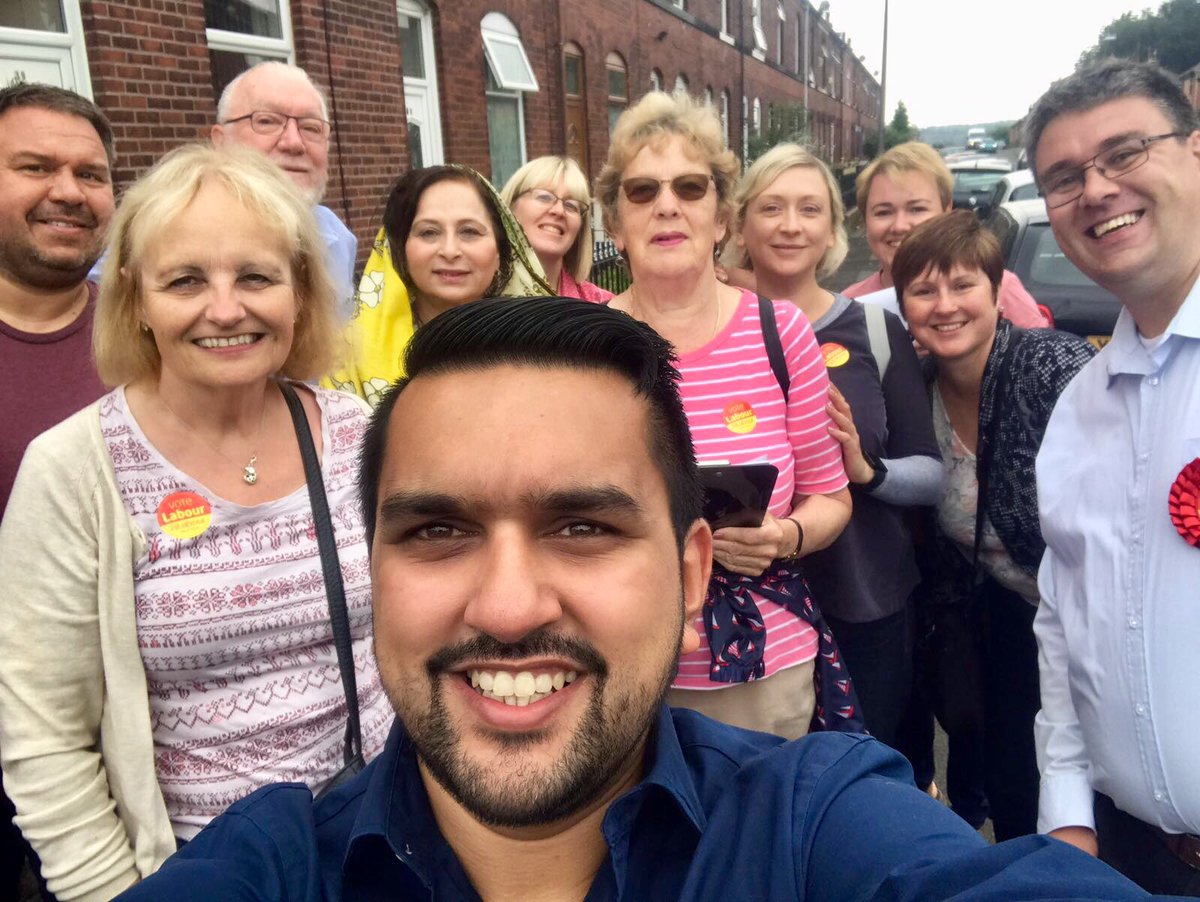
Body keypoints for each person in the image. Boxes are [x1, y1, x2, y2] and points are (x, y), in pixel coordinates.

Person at [113, 297, 1157, 902]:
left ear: (695, 569)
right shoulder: (276, 866)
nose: (511, 604)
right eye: (437, 530)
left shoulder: (811, 829)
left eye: (584, 526)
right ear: (372, 571)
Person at [0, 144, 394, 901]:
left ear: (300, 291)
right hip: (191, 871)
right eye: (185, 280)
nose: (225, 308)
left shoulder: (361, 435)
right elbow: (44, 736)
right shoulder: (75, 470)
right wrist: (117, 894)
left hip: (374, 845)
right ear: (135, 298)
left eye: (255, 276)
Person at [595, 91, 854, 740]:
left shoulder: (782, 332)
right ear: (615, 223)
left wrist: (783, 537)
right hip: (628, 666)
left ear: (721, 220)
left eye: (690, 186)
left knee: (761, 838)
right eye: (641, 191)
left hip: (762, 669)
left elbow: (831, 495)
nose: (666, 205)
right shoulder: (584, 344)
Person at [1025, 59, 1200, 895]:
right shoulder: (1078, 410)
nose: (1095, 189)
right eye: (1064, 177)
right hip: (1127, 862)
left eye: (1125, 153)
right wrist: (1065, 813)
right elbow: (1064, 624)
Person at [725, 143, 942, 748]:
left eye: (809, 209)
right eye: (771, 207)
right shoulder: (713, 330)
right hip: (746, 611)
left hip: (864, 600)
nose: (790, 225)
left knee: (860, 779)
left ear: (831, 232)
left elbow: (929, 472)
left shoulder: (874, 327)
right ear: (742, 225)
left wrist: (866, 471)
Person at [890, 210, 1094, 842]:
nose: (944, 305)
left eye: (962, 286)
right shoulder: (916, 392)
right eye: (924, 291)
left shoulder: (1052, 368)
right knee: (1020, 789)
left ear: (995, 290)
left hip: (1094, 614)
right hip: (1011, 621)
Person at [0, 80, 116, 901]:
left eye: (92, 174)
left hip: (123, 738)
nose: (69, 192)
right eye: (34, 167)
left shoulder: (153, 333)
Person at [326, 165, 551, 405]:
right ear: (399, 249)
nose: (450, 251)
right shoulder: (346, 354)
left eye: (470, 232)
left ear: (501, 250)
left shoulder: (544, 345)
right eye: (429, 233)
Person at [845, 141, 1049, 329]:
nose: (899, 226)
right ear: (866, 220)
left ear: (946, 210)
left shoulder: (999, 288)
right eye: (883, 212)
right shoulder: (848, 306)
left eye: (917, 209)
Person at [210, 61, 358, 320]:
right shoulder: (160, 239)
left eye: (311, 127)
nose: (294, 142)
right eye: (267, 121)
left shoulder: (337, 238)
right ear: (220, 141)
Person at [500, 155, 613, 302]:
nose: (559, 211)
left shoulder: (604, 308)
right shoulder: (475, 298)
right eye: (544, 197)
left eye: (571, 205)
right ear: (510, 208)